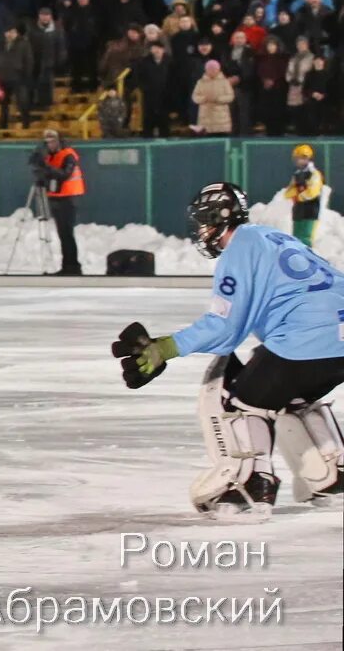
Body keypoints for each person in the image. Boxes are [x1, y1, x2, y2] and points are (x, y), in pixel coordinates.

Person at [111, 182, 344, 518]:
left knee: (237, 400)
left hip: (304, 339)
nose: (202, 230)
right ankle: (332, 474)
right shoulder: (274, 237)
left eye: (204, 222)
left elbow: (224, 326)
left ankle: (247, 486)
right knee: (291, 394)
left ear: (219, 219)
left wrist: (167, 348)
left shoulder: (239, 249)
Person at [31, 129, 84, 275]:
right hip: (56, 197)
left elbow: (64, 174)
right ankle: (68, 265)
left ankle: (72, 266)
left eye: (53, 141)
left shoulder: (68, 155)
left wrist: (46, 167)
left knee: (67, 233)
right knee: (63, 233)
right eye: (47, 142)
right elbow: (49, 175)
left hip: (68, 198)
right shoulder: (50, 157)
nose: (50, 145)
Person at [284, 144, 325, 248]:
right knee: (297, 236)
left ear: (308, 158)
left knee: (306, 236)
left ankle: (307, 257)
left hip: (310, 210)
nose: (299, 161)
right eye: (297, 158)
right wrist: (294, 193)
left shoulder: (314, 174)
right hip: (298, 210)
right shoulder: (297, 174)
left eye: (302, 158)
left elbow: (313, 191)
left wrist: (299, 196)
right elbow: (288, 191)